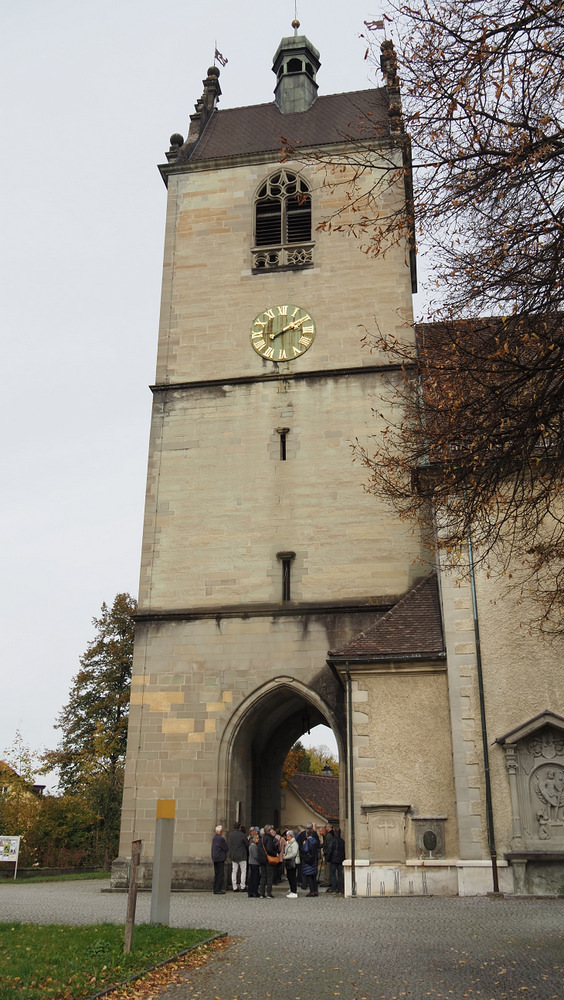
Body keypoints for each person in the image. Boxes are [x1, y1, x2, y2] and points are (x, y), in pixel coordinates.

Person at [326, 826, 346, 894]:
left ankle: (334, 889)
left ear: (334, 832)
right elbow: (343, 851)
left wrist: (328, 859)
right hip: (340, 860)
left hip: (333, 860)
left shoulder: (332, 840)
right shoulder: (342, 841)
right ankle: (340, 889)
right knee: (340, 875)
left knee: (333, 875)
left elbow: (330, 850)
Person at [229, 822, 249, 892]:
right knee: (243, 871)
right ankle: (243, 886)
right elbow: (247, 844)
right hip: (242, 855)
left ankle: (234, 887)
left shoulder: (231, 835)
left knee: (234, 871)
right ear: (240, 827)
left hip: (234, 855)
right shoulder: (242, 835)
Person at [300, 826, 319, 896]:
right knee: (314, 877)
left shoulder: (307, 842)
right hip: (314, 860)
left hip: (308, 861)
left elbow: (305, 850)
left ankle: (312, 891)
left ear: (307, 835)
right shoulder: (315, 841)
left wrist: (303, 846)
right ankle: (315, 890)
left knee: (309, 876)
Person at [211, 824, 228, 894]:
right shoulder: (221, 839)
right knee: (220, 874)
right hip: (220, 858)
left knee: (217, 874)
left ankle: (215, 888)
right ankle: (218, 889)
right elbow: (226, 848)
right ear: (220, 831)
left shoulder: (214, 838)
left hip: (215, 858)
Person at [284, 829, 299, 897]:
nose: (287, 838)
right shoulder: (288, 843)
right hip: (288, 862)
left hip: (292, 861)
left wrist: (285, 857)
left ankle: (294, 891)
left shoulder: (294, 844)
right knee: (289, 877)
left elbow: (294, 853)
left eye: (288, 836)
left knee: (292, 877)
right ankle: (292, 889)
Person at [247, 832, 261, 897]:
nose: (258, 839)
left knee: (252, 877)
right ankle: (254, 891)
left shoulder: (251, 846)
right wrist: (260, 860)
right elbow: (256, 856)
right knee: (255, 878)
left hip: (252, 862)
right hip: (254, 863)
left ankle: (251, 891)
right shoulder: (254, 846)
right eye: (257, 838)